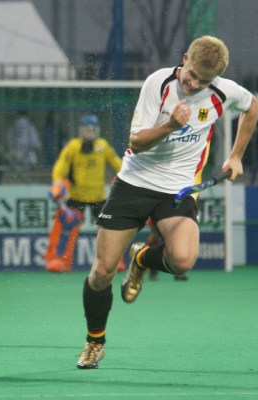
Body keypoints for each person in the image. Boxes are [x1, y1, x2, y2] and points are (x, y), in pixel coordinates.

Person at [76, 35, 258, 369]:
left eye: (204, 81)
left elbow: (252, 107)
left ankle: (141, 258)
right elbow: (137, 142)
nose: (195, 84)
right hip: (135, 183)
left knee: (183, 259)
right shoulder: (157, 83)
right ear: (185, 59)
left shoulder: (223, 92)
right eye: (192, 75)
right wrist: (170, 125)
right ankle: (94, 342)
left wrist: (235, 156)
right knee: (102, 272)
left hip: (178, 189)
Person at [45, 114, 122, 272]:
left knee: (108, 229)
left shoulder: (103, 146)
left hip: (98, 197)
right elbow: (61, 165)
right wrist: (57, 182)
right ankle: (60, 261)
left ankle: (113, 261)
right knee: (66, 228)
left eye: (92, 129)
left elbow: (117, 163)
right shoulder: (73, 146)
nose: (89, 132)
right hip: (76, 196)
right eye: (86, 129)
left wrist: (125, 177)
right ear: (80, 130)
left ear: (97, 130)